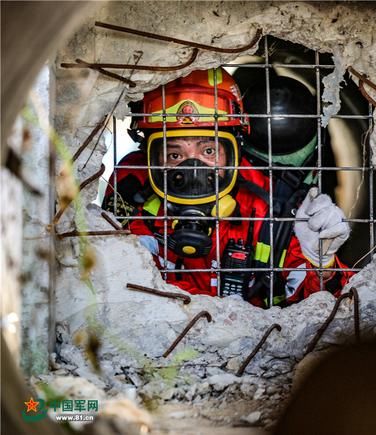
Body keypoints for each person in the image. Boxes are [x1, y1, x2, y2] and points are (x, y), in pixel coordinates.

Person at [102, 68, 352, 307]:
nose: (193, 173)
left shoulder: (272, 204)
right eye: (174, 155)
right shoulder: (131, 185)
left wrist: (324, 267)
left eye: (208, 151)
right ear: (150, 157)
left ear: (234, 151)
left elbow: (338, 310)